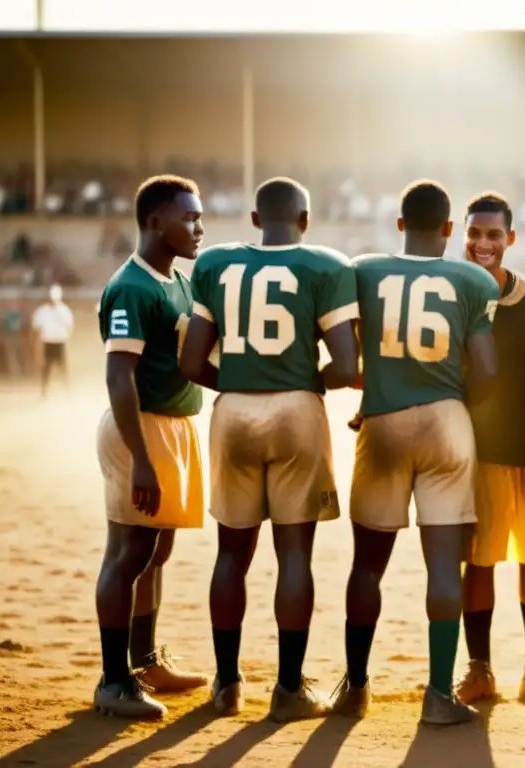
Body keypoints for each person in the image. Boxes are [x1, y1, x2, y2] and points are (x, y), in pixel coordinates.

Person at [180, 177, 360, 722]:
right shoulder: (327, 264)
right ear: (305, 221)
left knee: (231, 554)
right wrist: (304, 381)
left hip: (233, 409)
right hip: (296, 412)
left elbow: (190, 364)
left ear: (255, 220)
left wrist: (241, 381)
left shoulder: (214, 264)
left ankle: (227, 684)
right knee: (294, 556)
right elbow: (348, 367)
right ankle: (287, 689)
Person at [332, 179, 500, 727]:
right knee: (444, 566)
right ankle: (437, 694)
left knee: (367, 566)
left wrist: (376, 395)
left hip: (381, 421)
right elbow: (490, 371)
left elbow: (353, 354)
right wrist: (456, 405)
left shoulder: (364, 271)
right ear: (450, 229)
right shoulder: (472, 279)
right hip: (446, 419)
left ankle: (355, 688)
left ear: (399, 225)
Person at [94, 175, 213, 719]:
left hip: (173, 424)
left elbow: (190, 358)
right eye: (188, 217)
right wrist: (141, 459)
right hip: (139, 427)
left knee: (157, 552)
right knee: (129, 554)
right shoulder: (131, 287)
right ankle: (113, 681)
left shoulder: (178, 281)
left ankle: (145, 662)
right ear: (153, 220)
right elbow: (120, 377)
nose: (198, 226)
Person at [454, 193, 525, 707]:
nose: (483, 244)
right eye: (475, 234)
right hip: (478, 453)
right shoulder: (451, 292)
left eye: (494, 235)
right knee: (480, 561)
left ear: (510, 239)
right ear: (462, 235)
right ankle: (479, 669)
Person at [32, 283, 74, 395]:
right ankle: (44, 390)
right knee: (47, 367)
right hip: (48, 342)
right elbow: (37, 327)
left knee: (63, 367)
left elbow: (69, 326)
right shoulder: (43, 310)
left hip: (60, 341)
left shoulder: (64, 310)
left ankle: (67, 388)